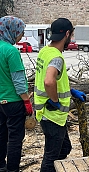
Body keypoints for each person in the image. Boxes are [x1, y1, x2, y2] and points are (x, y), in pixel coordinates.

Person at [34, 18, 86, 172]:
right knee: (51, 159)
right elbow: (49, 82)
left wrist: (71, 91)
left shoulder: (45, 51)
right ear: (68, 34)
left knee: (64, 148)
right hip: (52, 115)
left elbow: (54, 80)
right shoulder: (56, 57)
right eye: (72, 35)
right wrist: (55, 100)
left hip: (46, 113)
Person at [0, 16, 33, 172]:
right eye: (20, 32)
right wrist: (27, 102)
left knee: (1, 135)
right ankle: (12, 169)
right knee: (15, 139)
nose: (21, 36)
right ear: (11, 31)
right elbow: (19, 81)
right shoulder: (10, 51)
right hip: (13, 102)